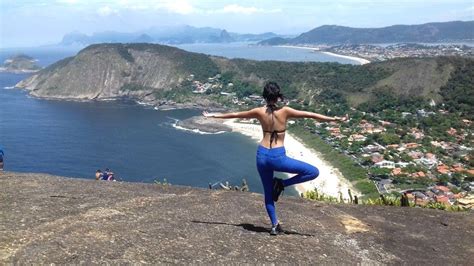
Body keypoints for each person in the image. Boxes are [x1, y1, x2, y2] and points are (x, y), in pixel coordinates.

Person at [203, 81, 347, 235]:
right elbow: (310, 115)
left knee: (268, 193)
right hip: (278, 157)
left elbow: (236, 114)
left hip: (261, 156)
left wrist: (213, 115)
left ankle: (274, 225)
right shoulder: (285, 111)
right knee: (313, 172)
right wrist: (334, 119)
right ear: (278, 97)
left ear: (264, 97)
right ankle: (282, 183)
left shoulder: (259, 111)